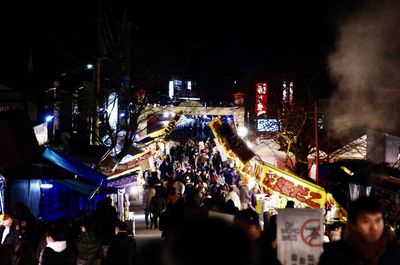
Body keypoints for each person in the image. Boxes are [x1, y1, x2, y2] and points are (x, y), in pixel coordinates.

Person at [318, 196, 400, 265]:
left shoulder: (394, 253)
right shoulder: (332, 255)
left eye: (378, 220)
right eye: (366, 221)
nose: (374, 227)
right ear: (353, 224)